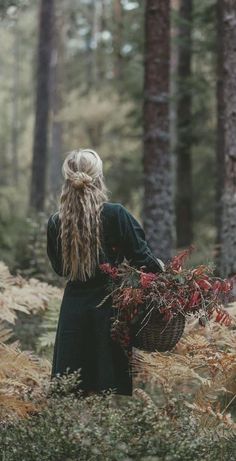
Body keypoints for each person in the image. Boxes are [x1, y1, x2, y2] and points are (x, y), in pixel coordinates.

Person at [47, 148, 165, 396]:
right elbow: (145, 262)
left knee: (73, 391)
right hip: (109, 311)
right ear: (99, 177)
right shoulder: (115, 214)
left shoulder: (57, 222)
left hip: (73, 313)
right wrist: (160, 270)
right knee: (107, 393)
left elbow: (60, 269)